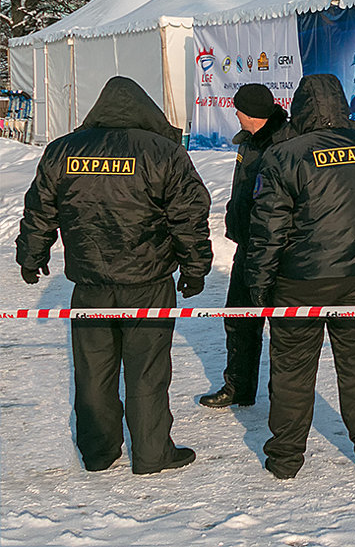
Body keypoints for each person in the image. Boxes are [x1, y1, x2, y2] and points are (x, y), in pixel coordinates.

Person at [16, 76, 212, 474]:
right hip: (148, 282)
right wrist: (194, 268)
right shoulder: (163, 153)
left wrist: (31, 255)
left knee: (93, 371)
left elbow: (39, 210)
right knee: (147, 371)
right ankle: (152, 453)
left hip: (90, 284)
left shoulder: (63, 151)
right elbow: (189, 217)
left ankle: (99, 451)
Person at [247, 74, 355, 480]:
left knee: (293, 369)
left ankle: (285, 457)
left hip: (300, 280)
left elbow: (267, 231)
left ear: (299, 108)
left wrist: (257, 284)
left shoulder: (284, 155)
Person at [199, 84, 288, 409]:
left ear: (250, 113)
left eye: (237, 109)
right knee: (238, 319)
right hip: (246, 247)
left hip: (277, 249)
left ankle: (284, 400)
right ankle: (238, 387)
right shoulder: (248, 142)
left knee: (282, 329)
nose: (234, 113)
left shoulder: (286, 143)